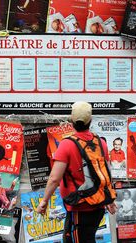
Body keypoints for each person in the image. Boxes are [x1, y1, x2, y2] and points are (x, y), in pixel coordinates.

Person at [35, 101, 116, 243]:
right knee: (87, 238)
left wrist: (44, 201)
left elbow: (54, 178)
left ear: (71, 120)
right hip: (98, 205)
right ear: (90, 120)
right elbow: (106, 172)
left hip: (80, 207)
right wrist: (109, 199)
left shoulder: (67, 144)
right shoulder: (100, 142)